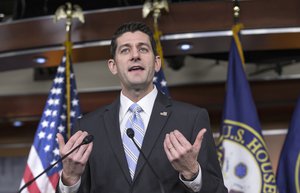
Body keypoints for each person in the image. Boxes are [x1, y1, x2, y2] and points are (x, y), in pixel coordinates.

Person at [57, 22, 227, 193]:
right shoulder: (88, 127)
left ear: (157, 63)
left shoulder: (191, 118)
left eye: (143, 49)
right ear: (113, 66)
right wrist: (70, 178)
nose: (135, 55)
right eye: (125, 50)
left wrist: (192, 173)